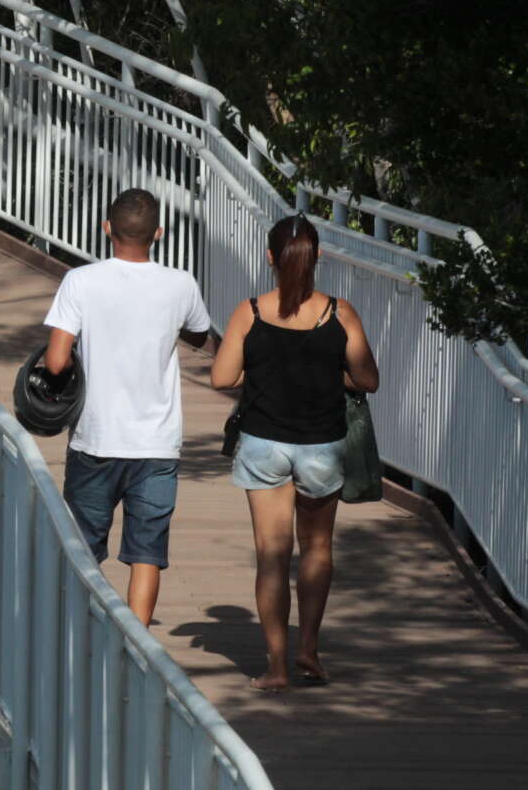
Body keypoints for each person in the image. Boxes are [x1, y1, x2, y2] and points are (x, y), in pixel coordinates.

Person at [210, 213, 380, 692]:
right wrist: (332, 375)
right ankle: (309, 647)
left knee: (271, 555)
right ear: (317, 256)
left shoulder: (251, 312)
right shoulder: (339, 313)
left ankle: (277, 667)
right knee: (317, 547)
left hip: (264, 444)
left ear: (269, 258)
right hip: (322, 445)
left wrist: (259, 373)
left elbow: (222, 378)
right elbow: (368, 379)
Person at [41, 187, 213, 627]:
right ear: (157, 233)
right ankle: (136, 645)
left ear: (106, 229)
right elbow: (199, 333)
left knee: (82, 545)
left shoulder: (81, 281)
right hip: (156, 444)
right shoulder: (180, 284)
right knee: (147, 550)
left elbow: (57, 360)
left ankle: (82, 628)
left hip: (96, 437)